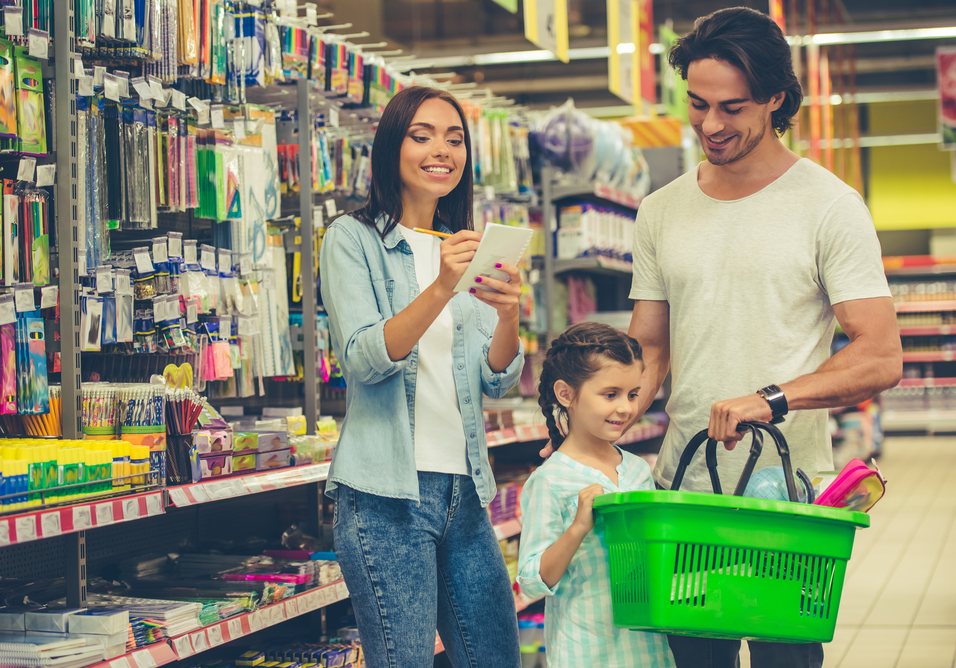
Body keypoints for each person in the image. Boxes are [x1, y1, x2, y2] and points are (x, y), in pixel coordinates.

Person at [624, 7, 903, 668]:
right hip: (686, 491)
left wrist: (770, 399)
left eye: (732, 107)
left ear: (776, 98)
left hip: (786, 498)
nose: (710, 125)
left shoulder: (829, 206)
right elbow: (650, 349)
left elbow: (880, 354)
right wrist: (593, 424)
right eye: (697, 104)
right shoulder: (660, 211)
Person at [319, 86, 524, 667]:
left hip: (467, 491)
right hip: (386, 496)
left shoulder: (467, 247)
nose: (442, 151)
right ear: (392, 148)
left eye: (455, 139)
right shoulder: (351, 238)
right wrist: (441, 286)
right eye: (423, 135)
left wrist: (509, 315)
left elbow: (496, 380)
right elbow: (364, 358)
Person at [517, 322, 676, 668]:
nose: (626, 408)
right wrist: (577, 528)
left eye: (633, 394)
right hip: (585, 652)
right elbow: (531, 580)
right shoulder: (551, 480)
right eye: (610, 394)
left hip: (647, 649)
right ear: (566, 394)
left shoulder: (637, 470)